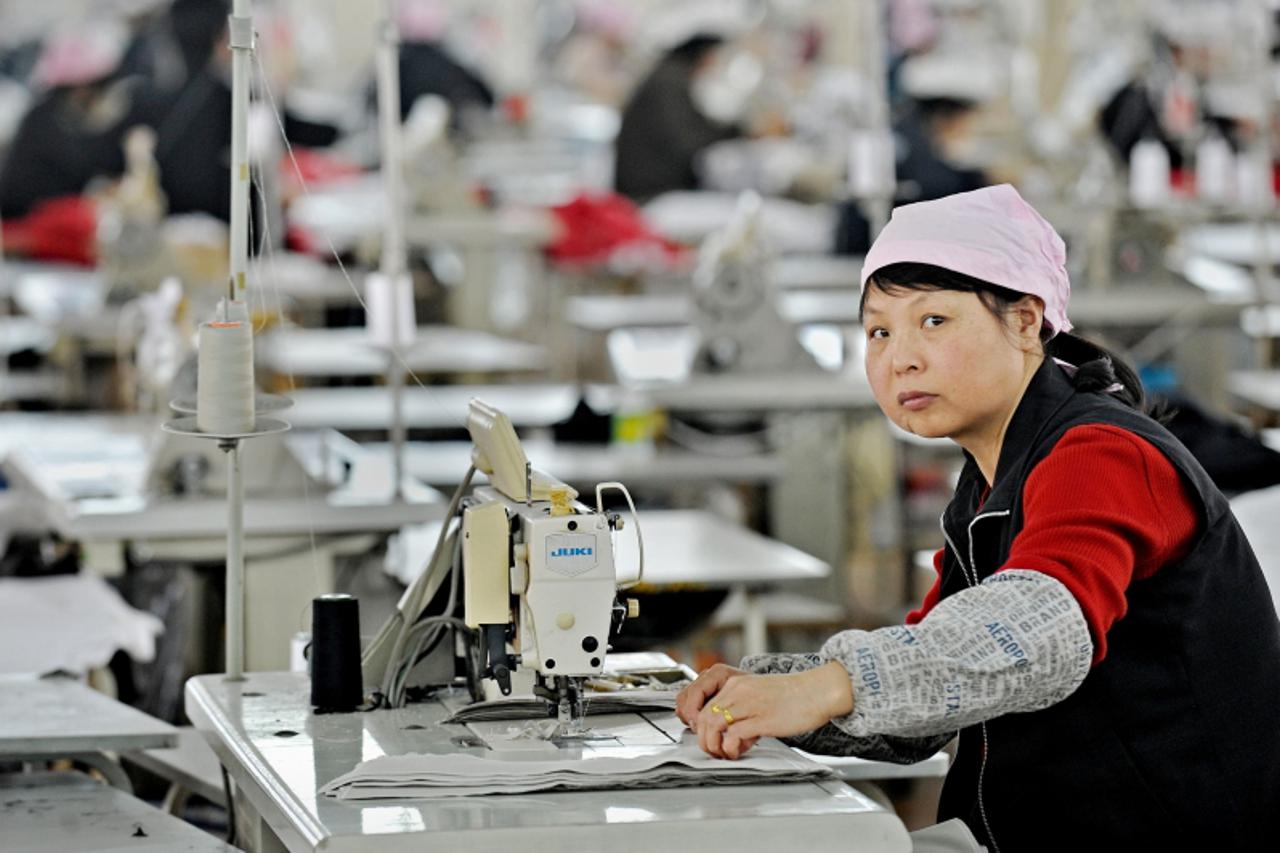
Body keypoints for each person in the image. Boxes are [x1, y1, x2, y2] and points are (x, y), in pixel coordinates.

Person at [676, 184, 1280, 850]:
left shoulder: (1102, 455)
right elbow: (931, 699)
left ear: (1026, 321)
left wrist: (835, 683)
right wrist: (773, 691)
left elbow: (1032, 632)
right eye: (879, 330)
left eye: (934, 321)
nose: (899, 355)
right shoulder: (991, 480)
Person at [613, 33, 742, 202]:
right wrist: (741, 133)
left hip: (653, 190)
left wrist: (739, 131)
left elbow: (698, 127)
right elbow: (688, 141)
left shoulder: (670, 76)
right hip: (651, 195)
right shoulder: (669, 82)